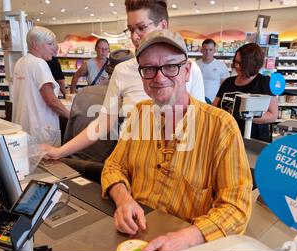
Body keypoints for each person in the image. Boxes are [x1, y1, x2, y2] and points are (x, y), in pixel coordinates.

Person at [101, 30, 253, 251]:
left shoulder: (221, 126)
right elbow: (114, 166)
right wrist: (124, 200)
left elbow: (236, 207)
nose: (159, 78)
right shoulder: (141, 113)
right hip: (133, 237)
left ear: (187, 71)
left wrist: (188, 237)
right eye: (149, 68)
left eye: (171, 66)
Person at [42, 0, 205, 160]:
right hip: (129, 164)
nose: (134, 36)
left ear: (162, 26)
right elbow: (102, 123)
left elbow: (198, 123)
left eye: (141, 28)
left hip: (175, 164)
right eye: (130, 29)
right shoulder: (122, 71)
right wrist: (60, 151)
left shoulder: (187, 69)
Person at [60, 49, 135, 183]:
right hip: (104, 174)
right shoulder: (129, 103)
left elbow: (69, 134)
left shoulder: (83, 93)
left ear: (106, 69)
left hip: (72, 166)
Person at [212, 43, 278, 142]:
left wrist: (245, 116)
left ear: (252, 64)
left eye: (241, 63)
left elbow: (273, 115)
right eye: (235, 62)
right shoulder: (228, 82)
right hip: (227, 137)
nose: (236, 66)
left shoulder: (264, 82)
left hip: (254, 140)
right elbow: (215, 107)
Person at [12, 26, 70, 139]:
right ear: (35, 44)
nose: (54, 49)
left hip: (23, 127)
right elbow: (52, 100)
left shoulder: (21, 62)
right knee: (46, 156)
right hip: (41, 129)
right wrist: (72, 117)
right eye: (50, 44)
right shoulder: (39, 64)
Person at [196, 38, 230, 104]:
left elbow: (224, 86)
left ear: (214, 50)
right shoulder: (195, 65)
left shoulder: (221, 66)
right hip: (197, 101)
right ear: (201, 50)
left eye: (210, 50)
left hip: (214, 103)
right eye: (205, 49)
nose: (208, 52)